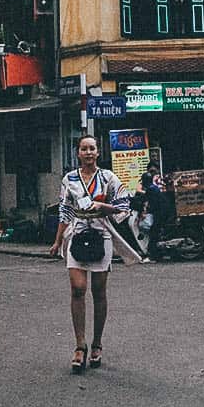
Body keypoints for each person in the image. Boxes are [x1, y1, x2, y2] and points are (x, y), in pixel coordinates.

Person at [49, 135, 139, 373]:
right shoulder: (69, 179)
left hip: (101, 234)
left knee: (99, 291)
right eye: (84, 149)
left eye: (92, 148)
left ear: (98, 152)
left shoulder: (108, 178)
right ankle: (80, 346)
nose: (88, 152)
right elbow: (64, 211)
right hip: (77, 234)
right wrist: (58, 241)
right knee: (78, 289)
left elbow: (124, 206)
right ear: (77, 153)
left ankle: (97, 343)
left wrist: (102, 207)